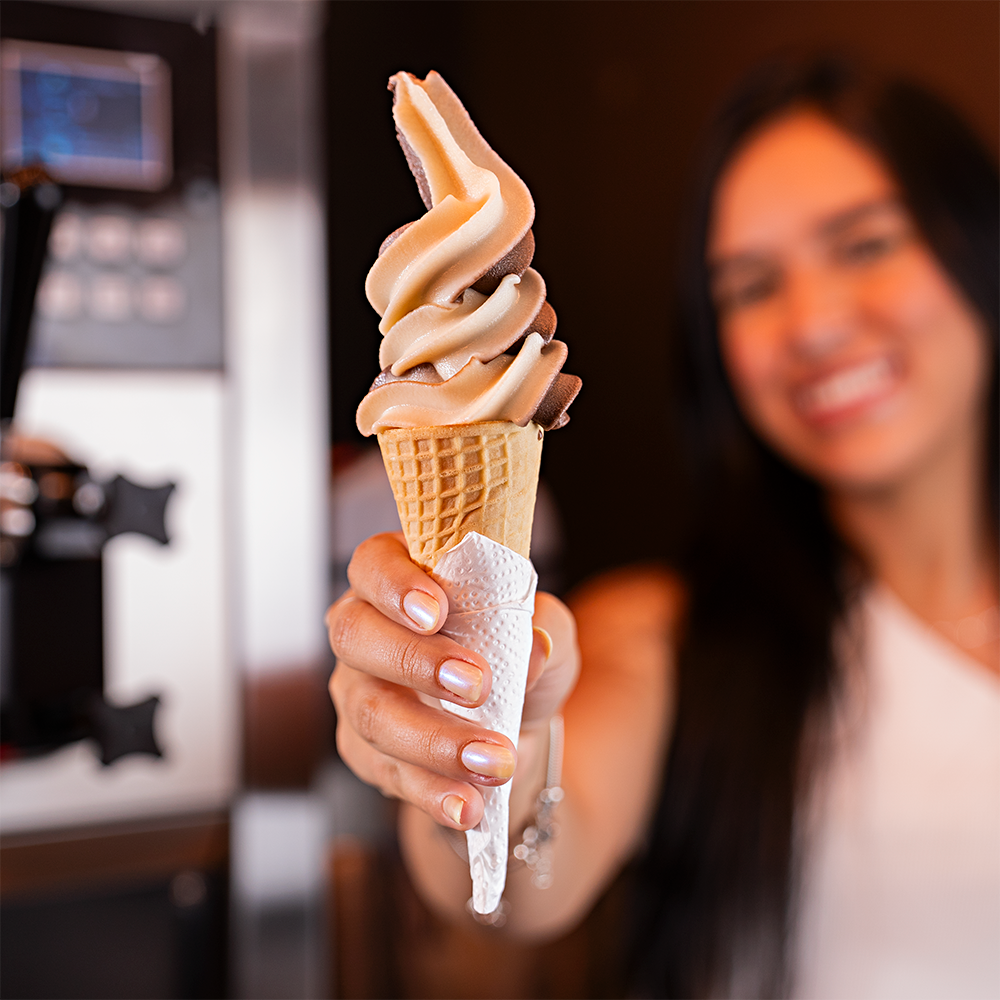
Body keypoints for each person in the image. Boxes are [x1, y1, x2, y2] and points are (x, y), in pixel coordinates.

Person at [326, 54, 1000, 998]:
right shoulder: (665, 638)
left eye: (865, 245)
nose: (812, 323)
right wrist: (473, 769)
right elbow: (534, 883)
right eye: (752, 287)